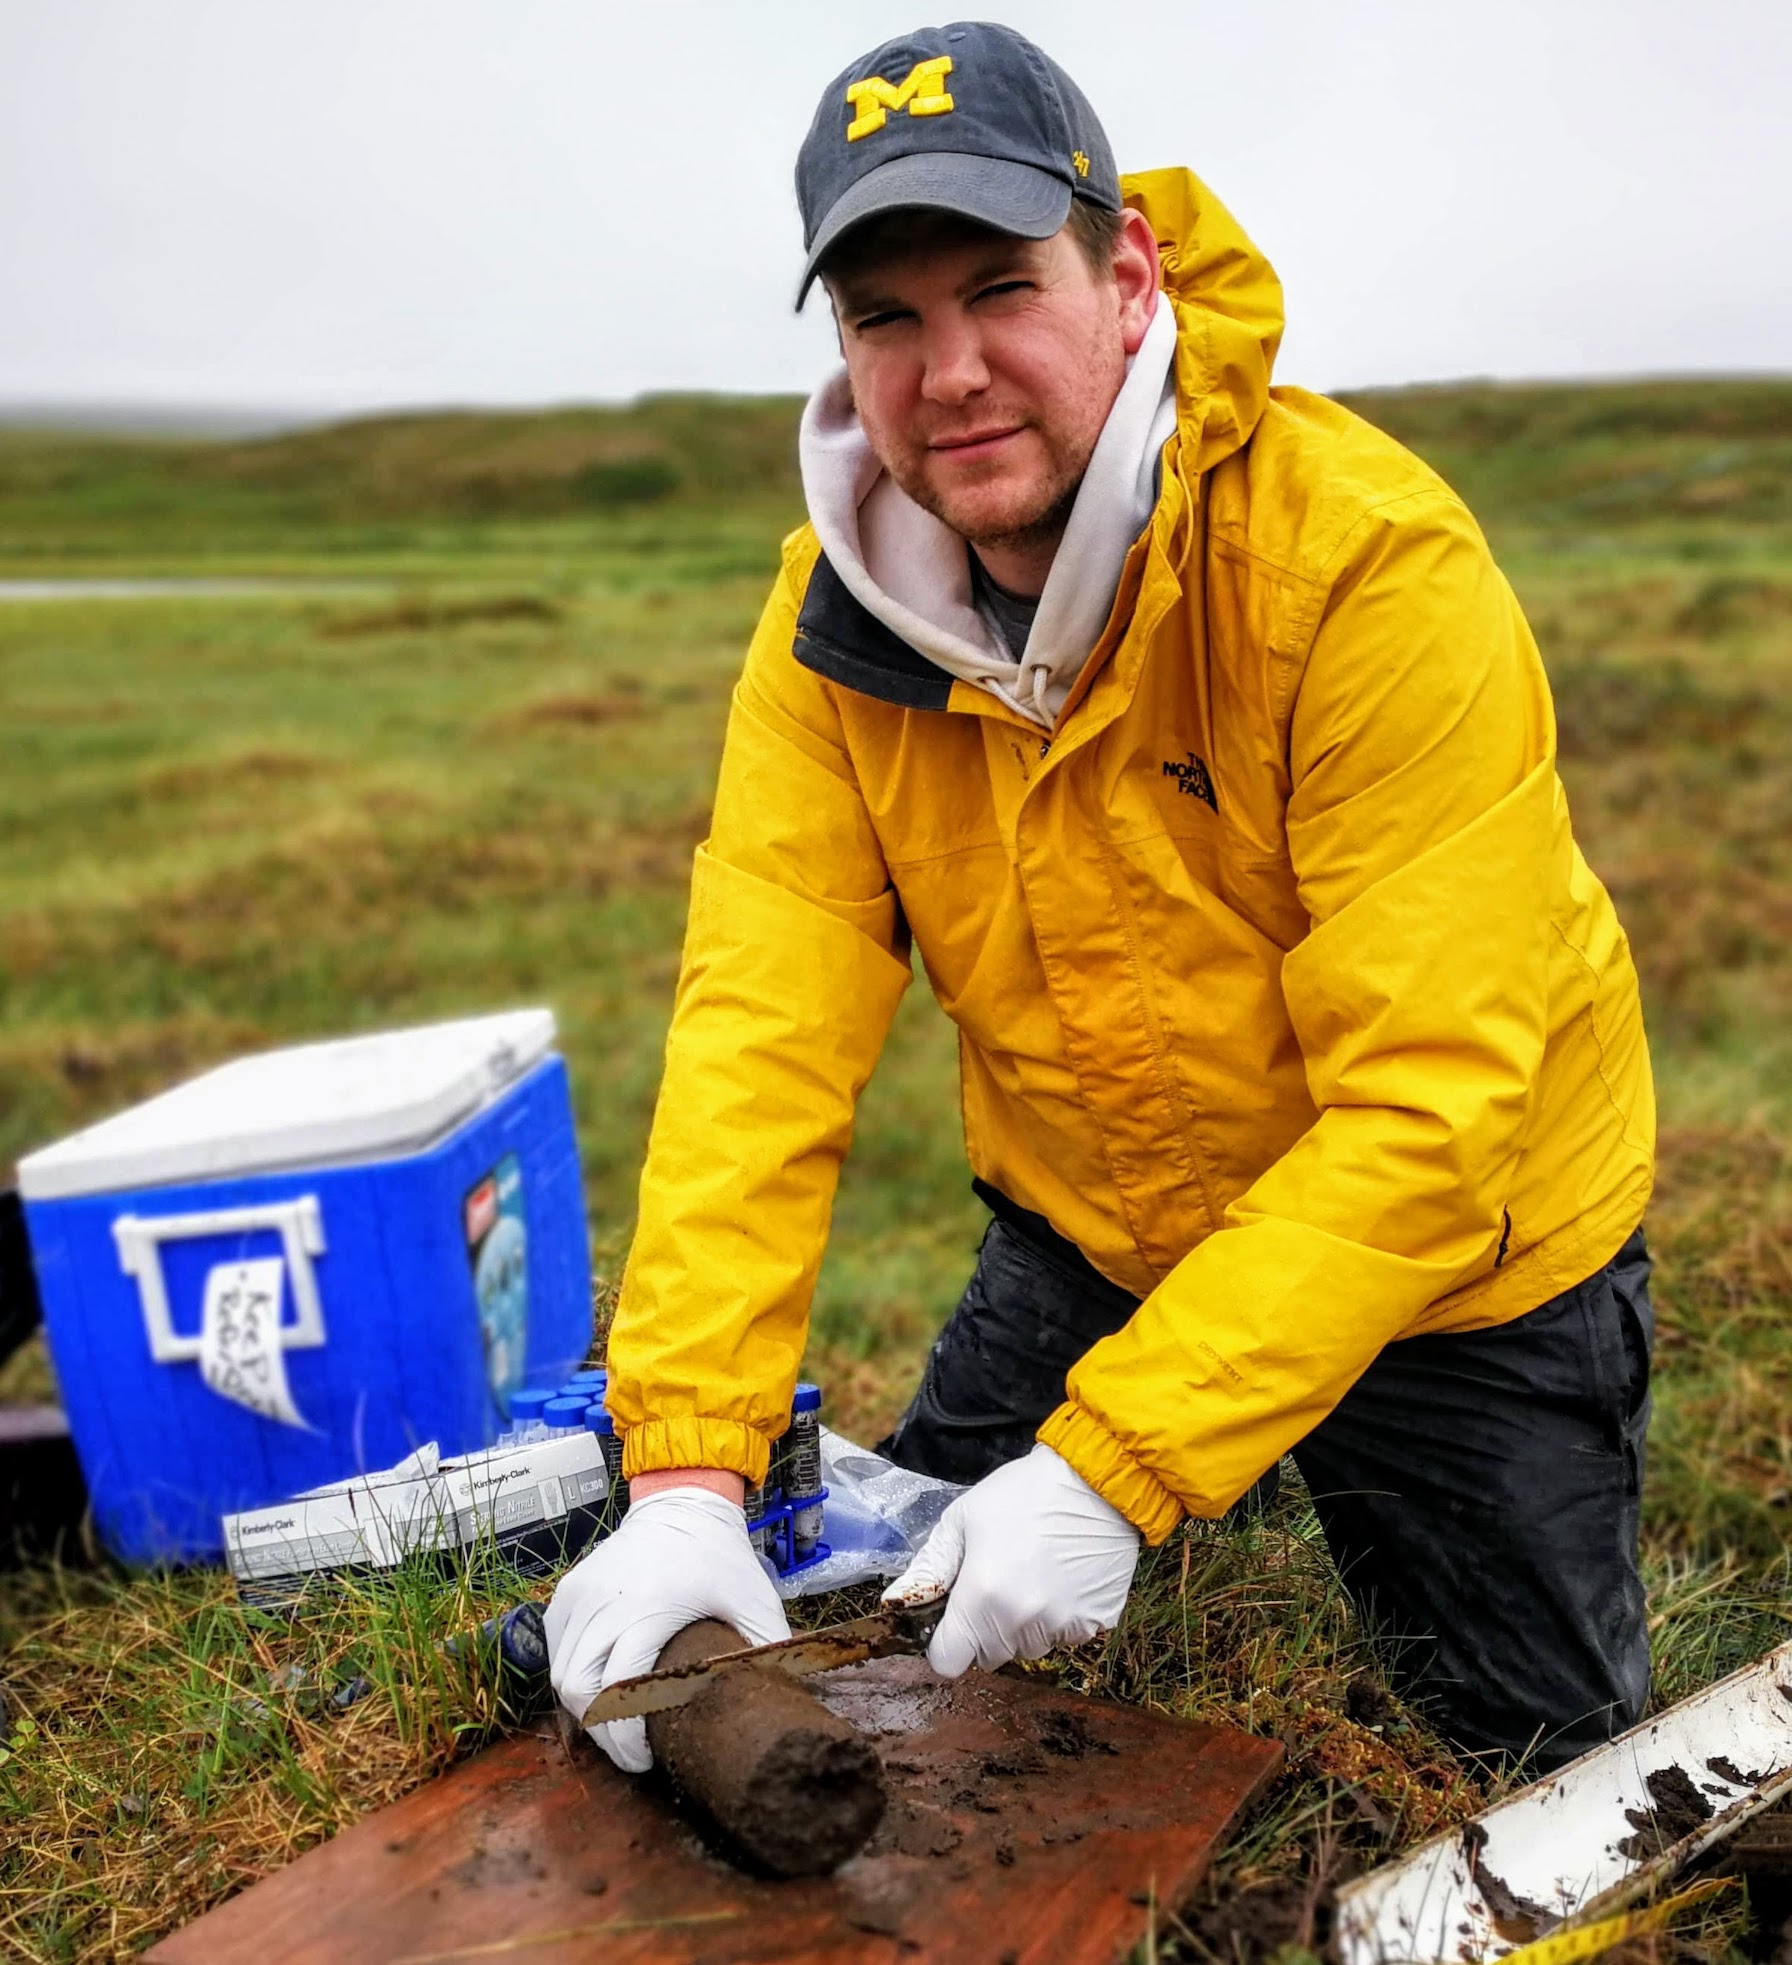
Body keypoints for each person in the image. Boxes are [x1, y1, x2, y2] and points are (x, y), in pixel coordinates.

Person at [545, 20, 1655, 1776]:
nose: (952, 369)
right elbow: (761, 1031)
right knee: (906, 1662)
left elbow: (1435, 1102)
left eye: (1002, 288)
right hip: (1099, 1220)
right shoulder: (829, 630)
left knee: (1540, 1770)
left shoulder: (1362, 566)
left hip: (1466, 1259)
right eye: (886, 318)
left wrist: (1116, 1468)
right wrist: (686, 1473)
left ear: (1127, 276)